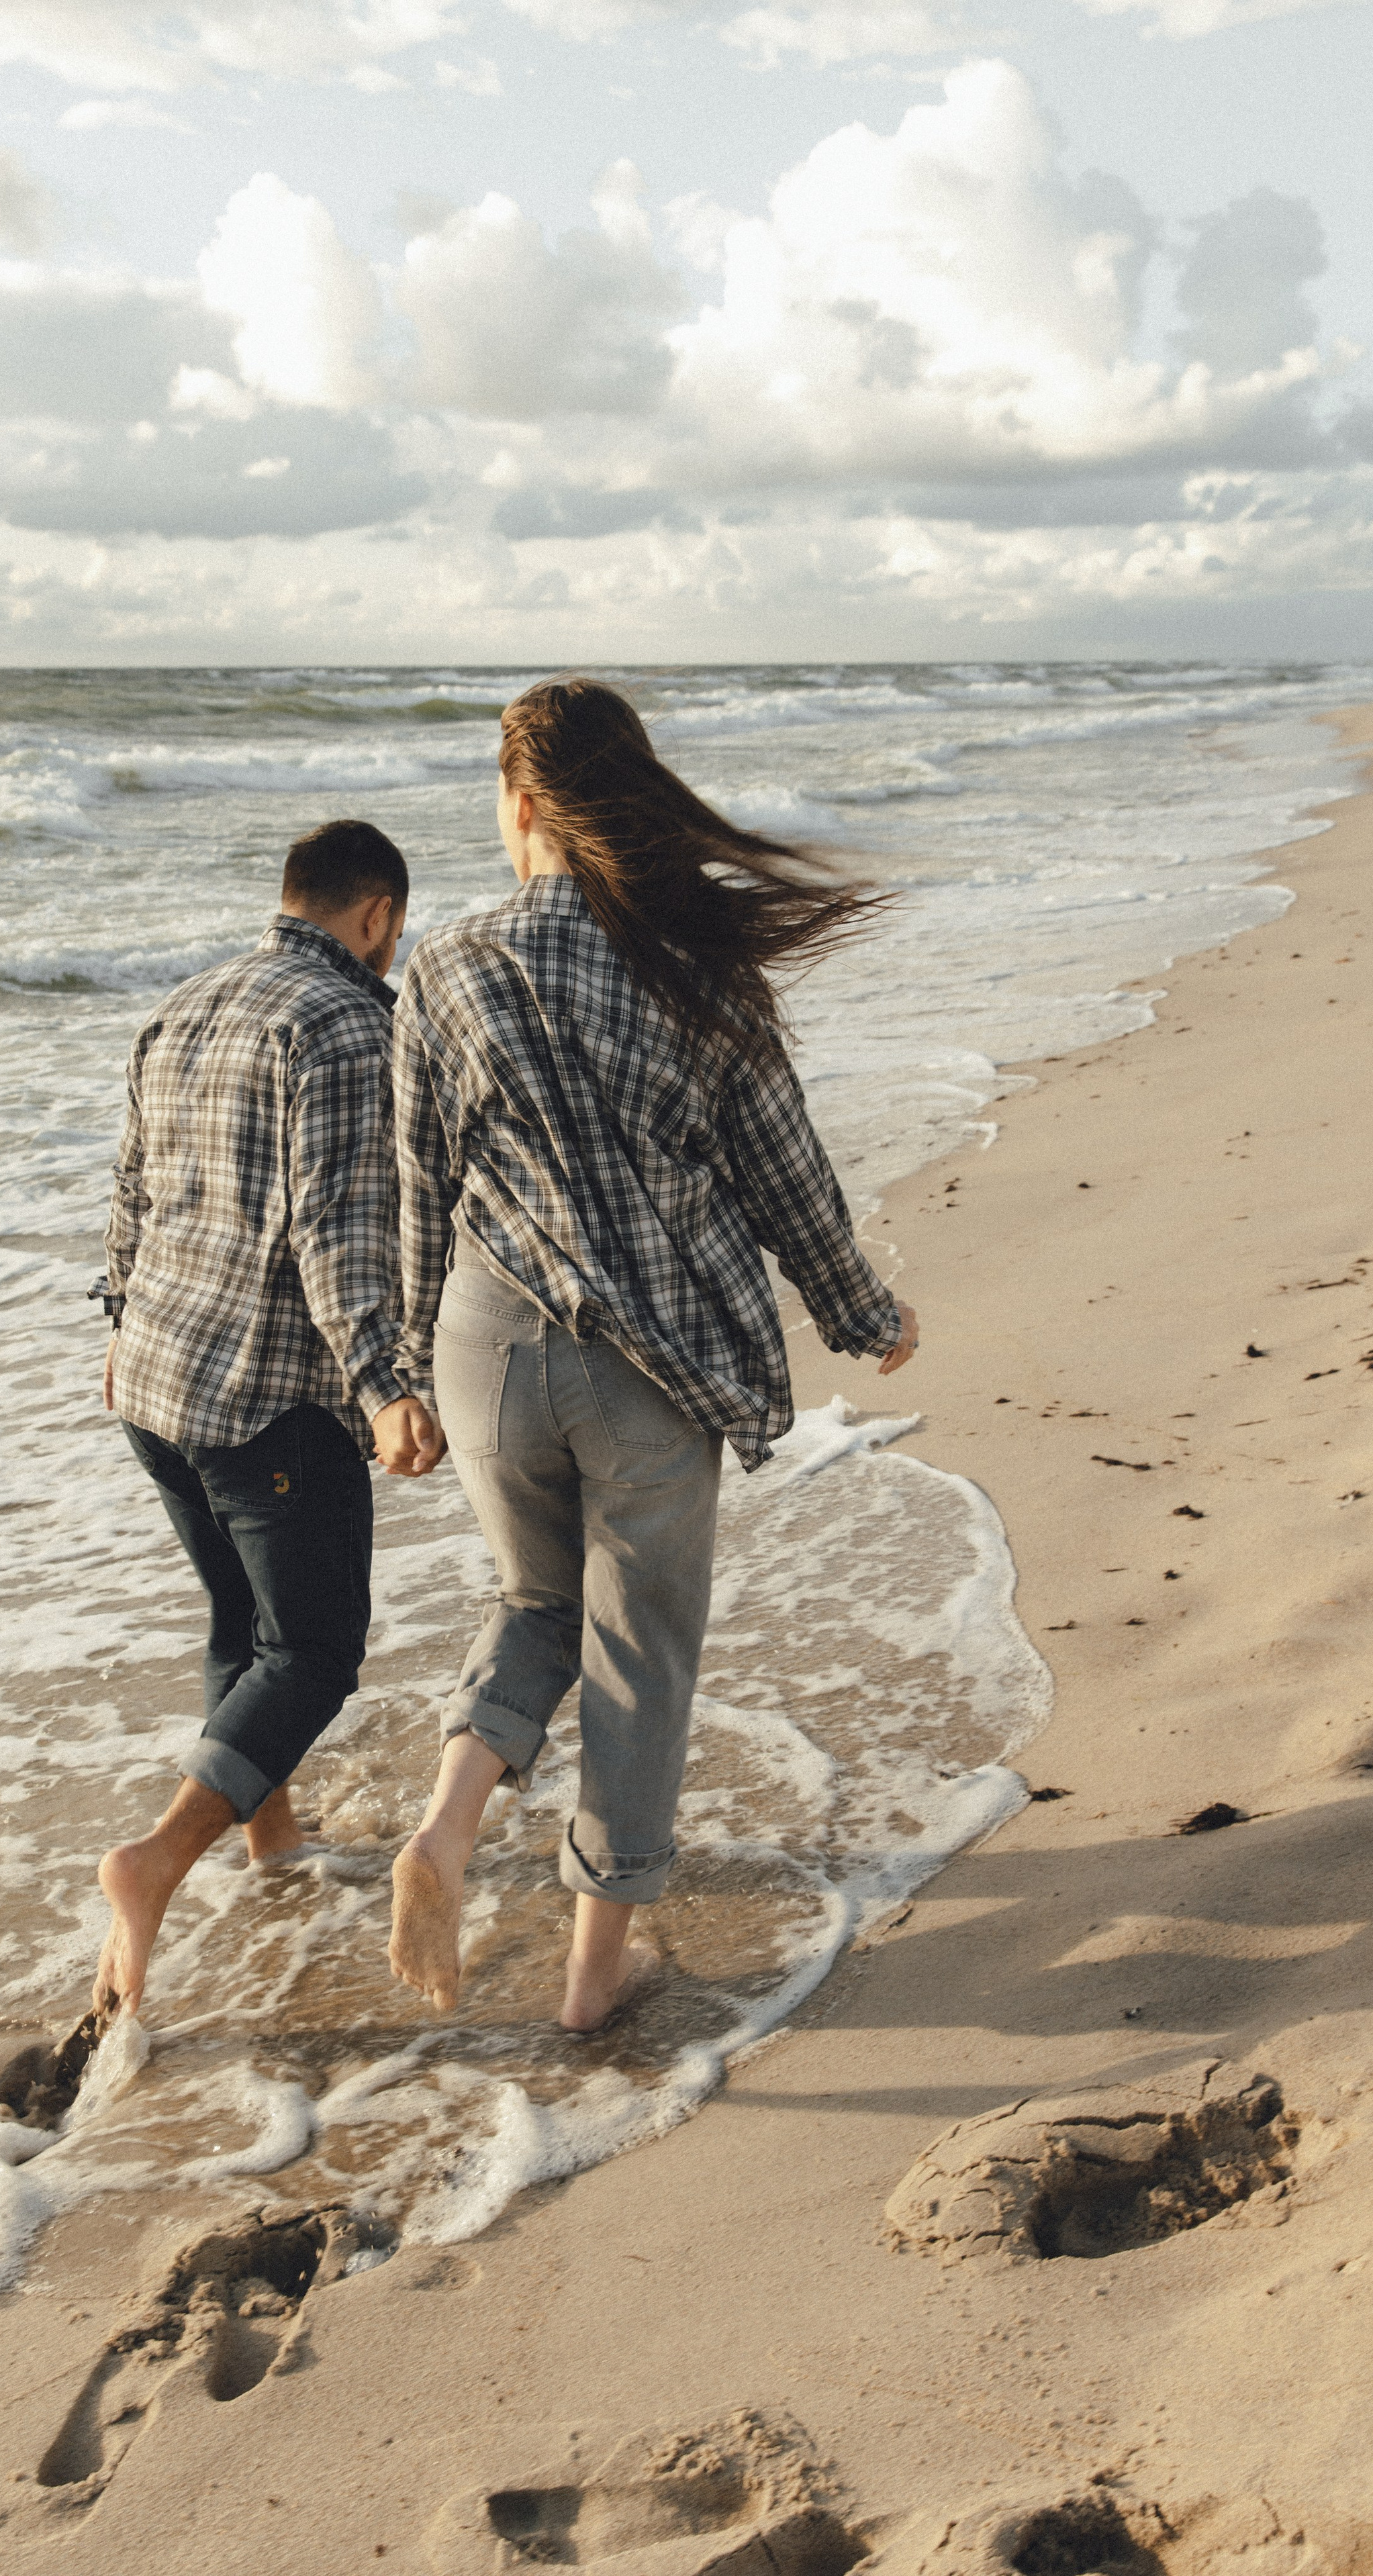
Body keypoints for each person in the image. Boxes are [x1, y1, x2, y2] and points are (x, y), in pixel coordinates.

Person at [385, 679, 920, 2036]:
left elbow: (413, 1184)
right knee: (637, 1651)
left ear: (521, 804)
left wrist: (394, 1376)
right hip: (649, 1363)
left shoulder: (443, 962)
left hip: (482, 1344)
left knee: (532, 1599)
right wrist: (863, 1310)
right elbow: (783, 1173)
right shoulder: (696, 965)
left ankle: (447, 1824)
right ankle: (595, 1970)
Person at [92, 819, 445, 2019]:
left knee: (240, 1620)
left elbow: (133, 1191)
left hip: (155, 1380)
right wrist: (385, 1383)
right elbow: (335, 1227)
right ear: (379, 915)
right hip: (265, 1396)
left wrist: (120, 1322)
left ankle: (272, 1834)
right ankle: (157, 1858)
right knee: (314, 1650)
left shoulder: (183, 1006)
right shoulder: (345, 1023)